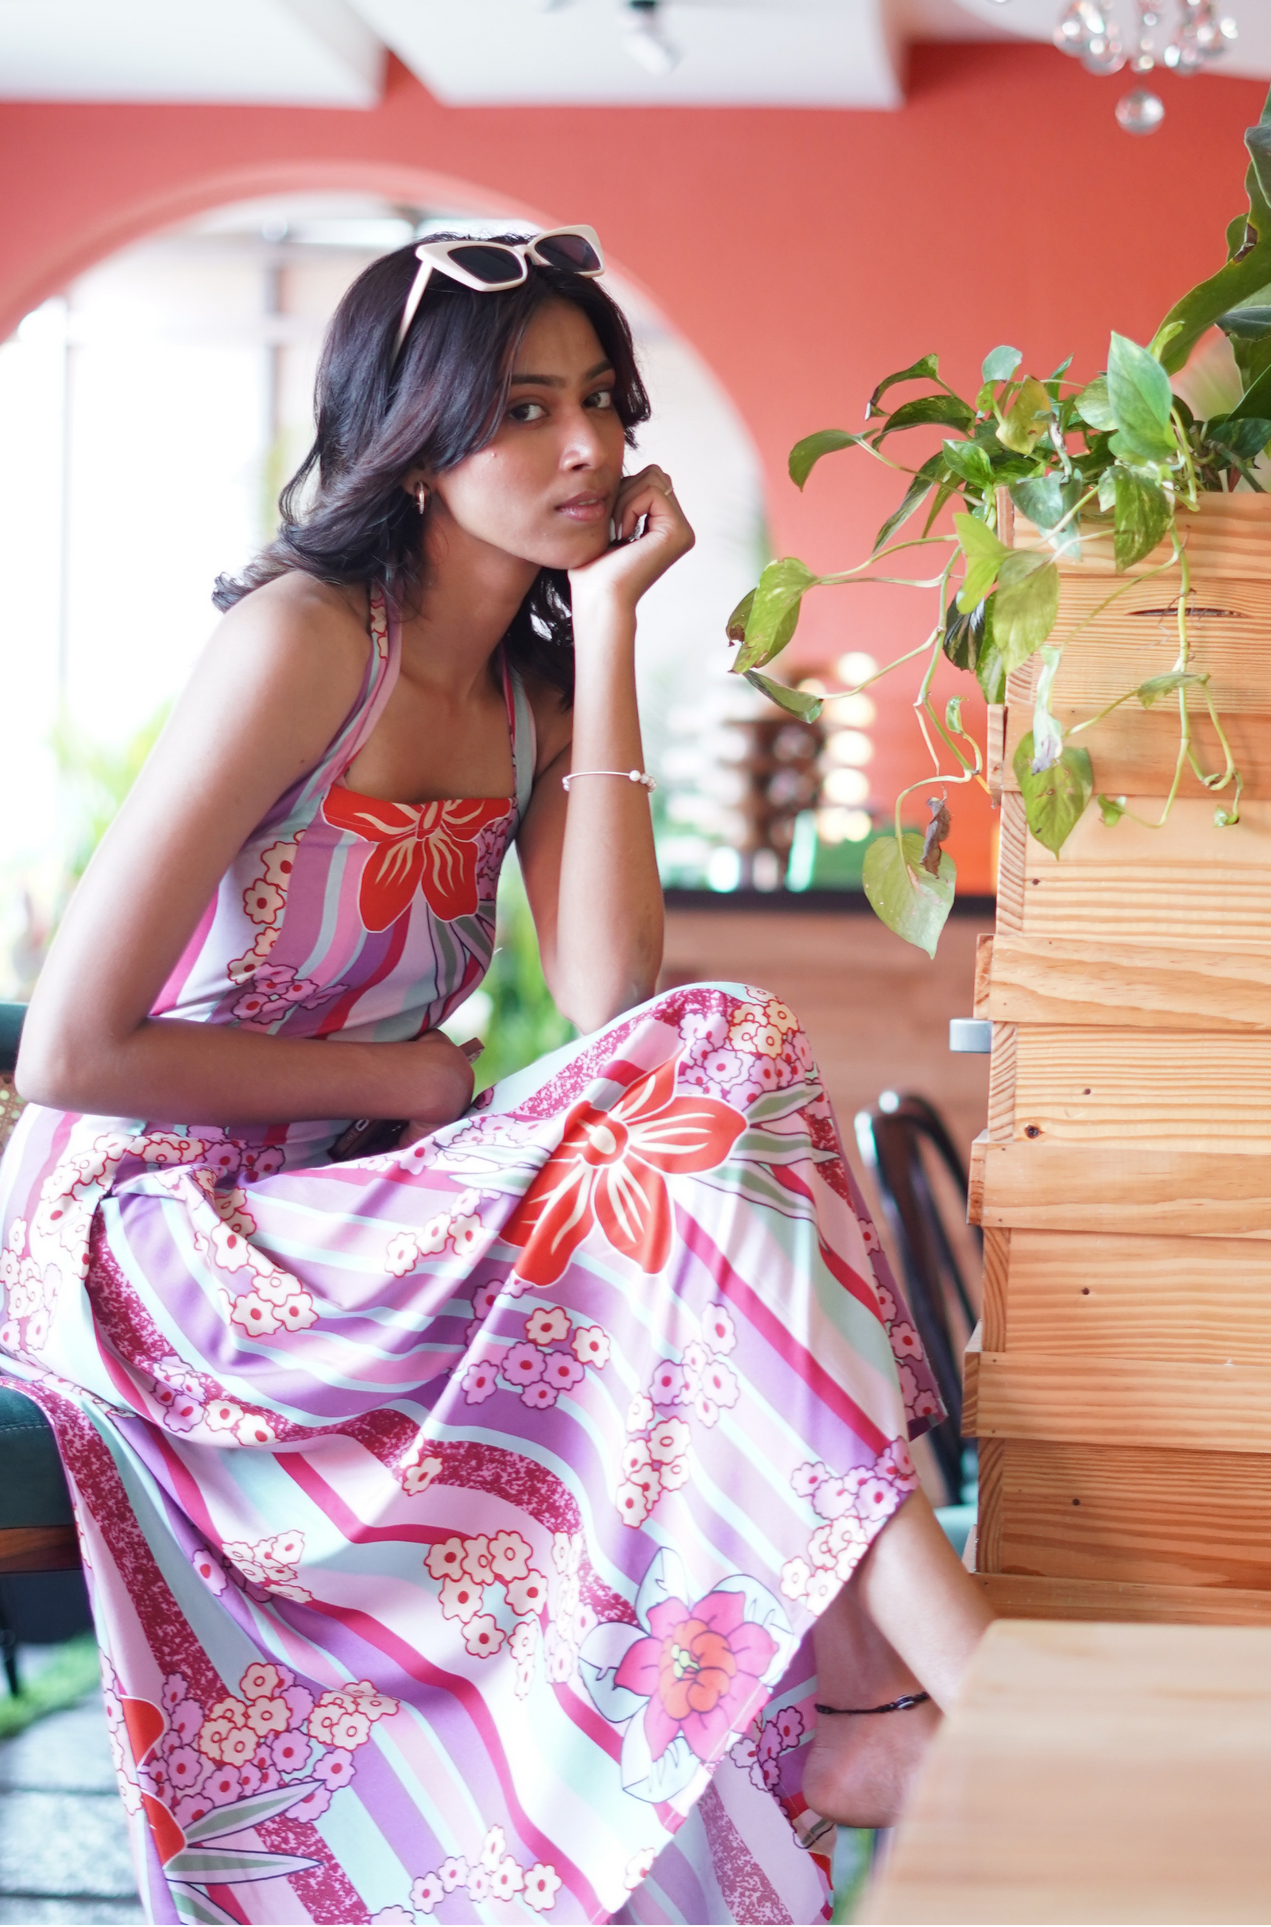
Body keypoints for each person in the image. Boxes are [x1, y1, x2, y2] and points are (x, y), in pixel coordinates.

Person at [1, 227, 993, 1926]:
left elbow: (614, 994)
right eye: (525, 410)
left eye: (603, 400)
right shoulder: (307, 639)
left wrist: (605, 626)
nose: (592, 447)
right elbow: (68, 1052)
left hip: (350, 1226)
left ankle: (895, 1686)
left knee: (718, 1057)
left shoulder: (534, 694)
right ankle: (923, 1671)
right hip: (156, 1236)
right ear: (416, 435)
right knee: (713, 1068)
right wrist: (396, 1085)